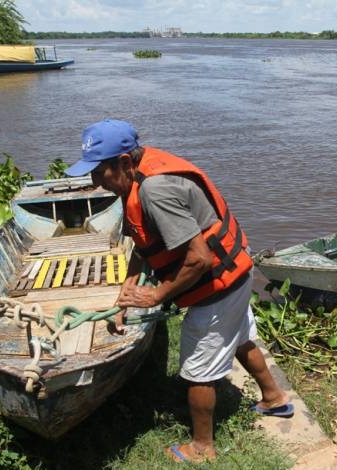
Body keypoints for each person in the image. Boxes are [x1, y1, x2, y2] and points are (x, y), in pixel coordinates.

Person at [64, 119, 293, 463]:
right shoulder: (140, 175)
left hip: (216, 289)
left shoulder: (156, 191)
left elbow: (199, 259)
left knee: (198, 373)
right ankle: (275, 399)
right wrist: (126, 294)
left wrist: (156, 295)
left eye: (100, 172)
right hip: (237, 276)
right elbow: (144, 244)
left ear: (124, 163)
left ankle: (202, 448)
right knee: (241, 339)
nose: (95, 181)